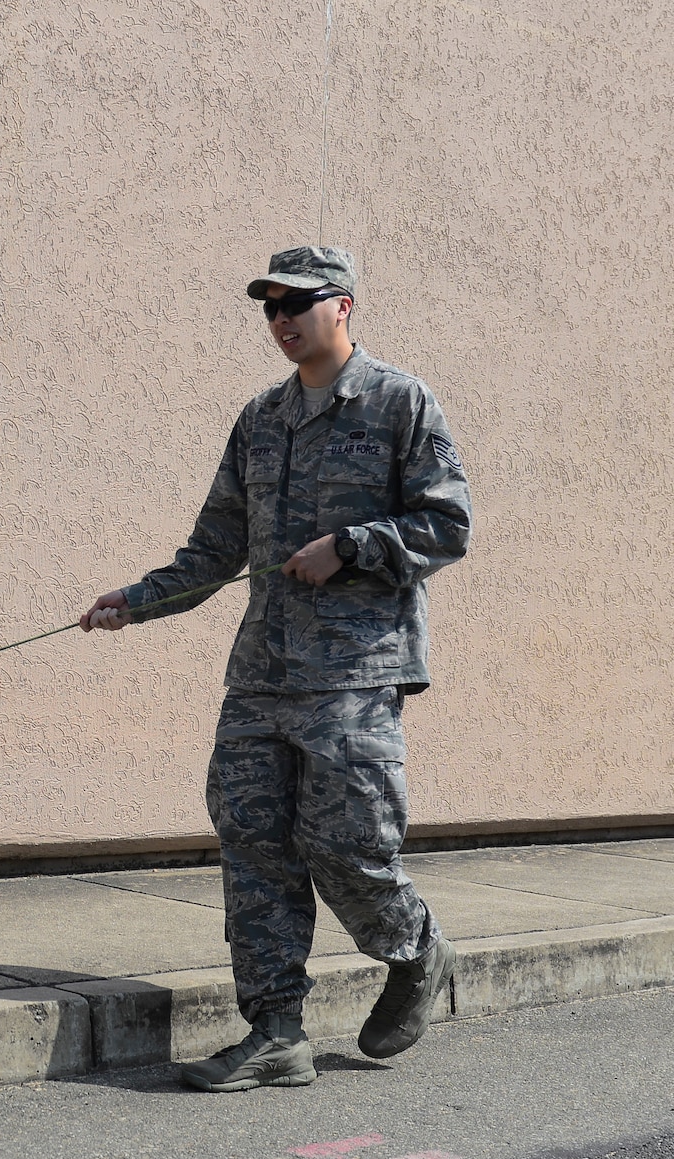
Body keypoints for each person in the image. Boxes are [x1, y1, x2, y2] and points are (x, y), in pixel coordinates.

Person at [79, 246, 472, 1093]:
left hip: (356, 672)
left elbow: (448, 524)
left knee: (348, 846)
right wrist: (137, 600)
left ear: (345, 306)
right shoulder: (260, 419)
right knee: (253, 844)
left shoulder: (400, 402)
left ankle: (415, 950)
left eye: (298, 301)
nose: (282, 318)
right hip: (262, 674)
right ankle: (275, 1031)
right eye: (269, 306)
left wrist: (356, 546)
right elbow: (216, 546)